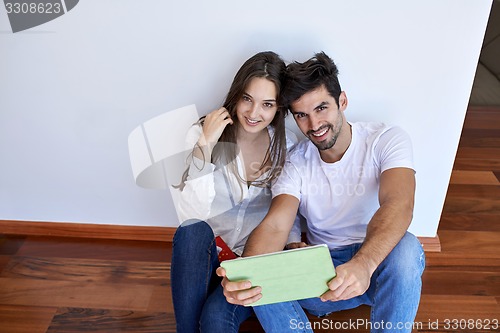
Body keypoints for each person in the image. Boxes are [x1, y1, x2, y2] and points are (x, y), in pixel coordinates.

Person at [218, 52, 426, 332]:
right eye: (302, 115)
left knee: (407, 248)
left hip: (378, 264)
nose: (314, 125)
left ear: (342, 101)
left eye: (321, 108)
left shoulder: (386, 139)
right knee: (261, 275)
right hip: (322, 274)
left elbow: (399, 204)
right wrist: (246, 274)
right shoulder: (294, 160)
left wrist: (363, 265)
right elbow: (277, 224)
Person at [170, 51, 310, 332]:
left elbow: (287, 205)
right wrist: (206, 145)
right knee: (192, 231)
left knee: (213, 319)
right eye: (247, 99)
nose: (254, 113)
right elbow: (191, 215)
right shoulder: (201, 133)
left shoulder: (286, 146)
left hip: (249, 260)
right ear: (236, 95)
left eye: (267, 104)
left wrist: (294, 240)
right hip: (206, 256)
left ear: (278, 109)